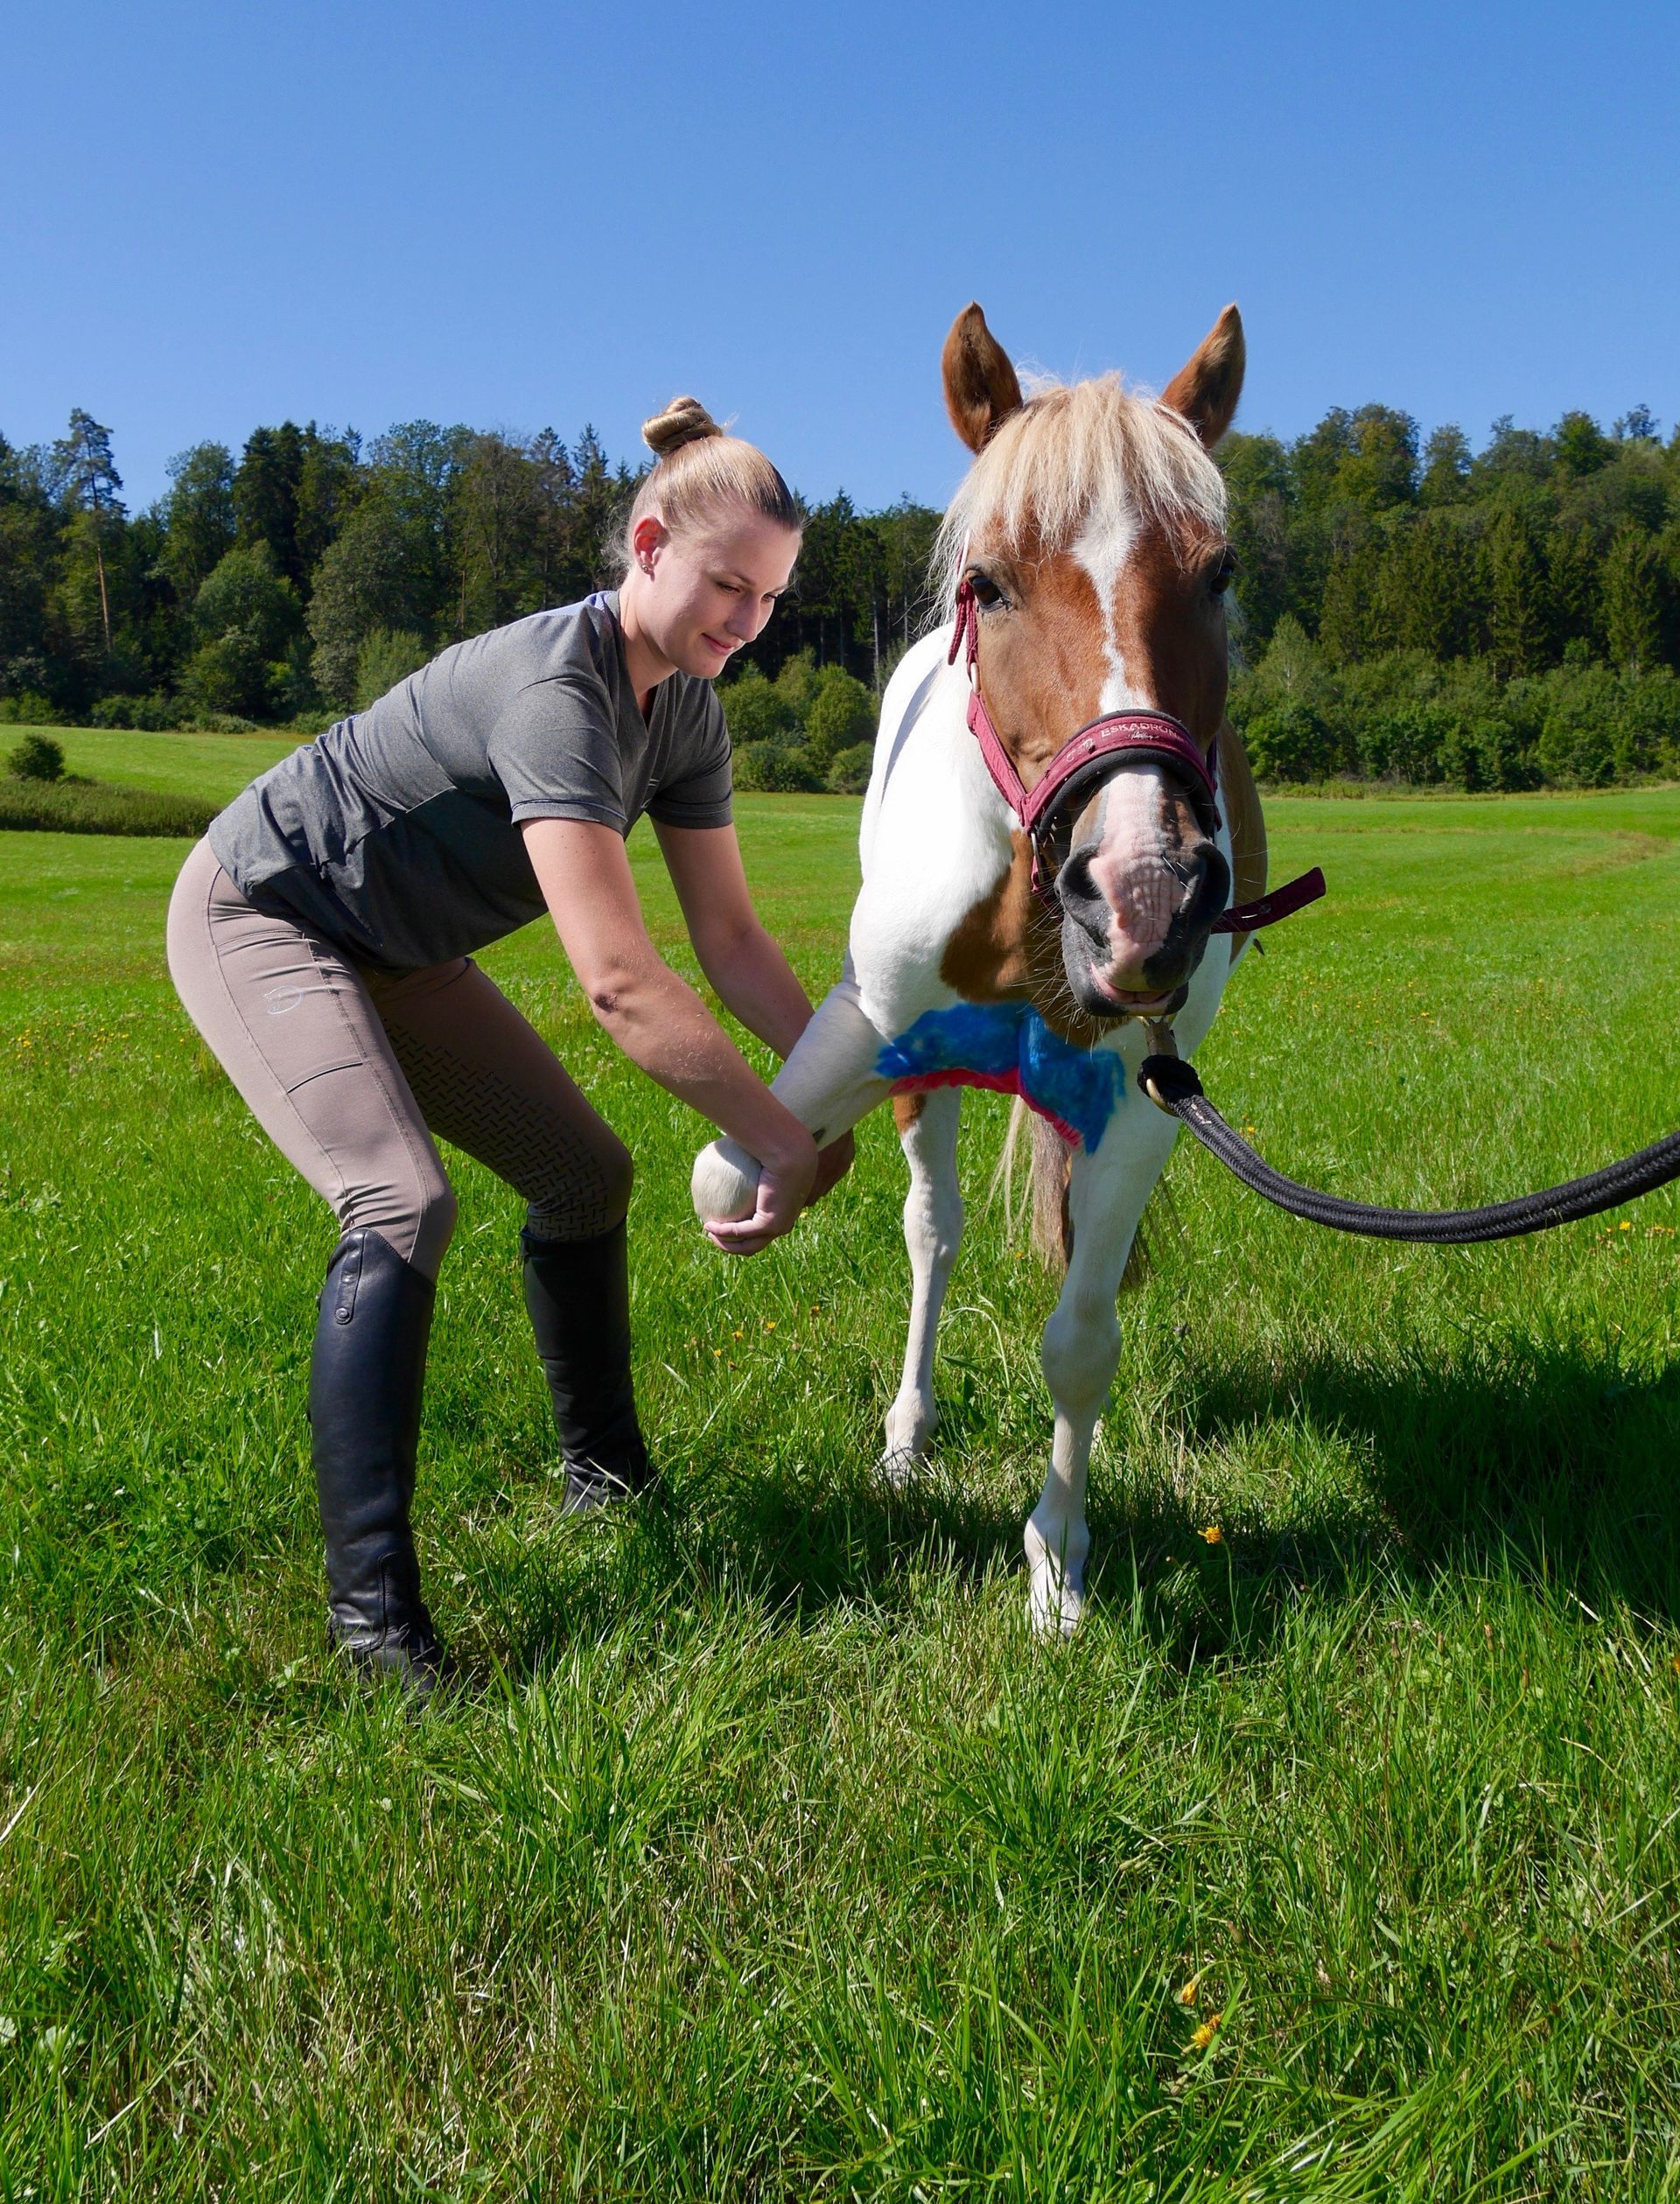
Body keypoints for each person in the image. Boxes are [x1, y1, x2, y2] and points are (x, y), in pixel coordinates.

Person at [166, 398, 851, 1697]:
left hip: (405, 954)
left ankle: (607, 1481)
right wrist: (780, 1137)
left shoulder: (686, 714)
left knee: (586, 1176)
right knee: (400, 1202)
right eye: (729, 586)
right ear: (648, 545)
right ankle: (376, 1632)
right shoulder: (556, 692)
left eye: (770, 598)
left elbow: (732, 942)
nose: (749, 623)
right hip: (267, 910)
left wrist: (840, 1088)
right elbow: (618, 983)